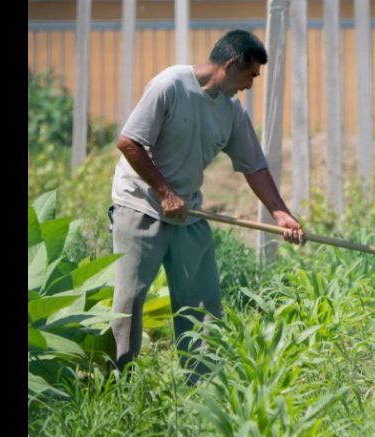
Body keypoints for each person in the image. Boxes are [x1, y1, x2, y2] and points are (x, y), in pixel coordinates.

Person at [109, 29, 303, 383]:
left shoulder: (231, 111)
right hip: (139, 205)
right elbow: (130, 142)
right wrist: (165, 192)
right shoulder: (170, 85)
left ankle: (203, 390)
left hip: (187, 212)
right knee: (129, 303)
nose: (250, 86)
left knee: (202, 305)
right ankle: (118, 388)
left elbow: (254, 165)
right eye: (250, 76)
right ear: (230, 66)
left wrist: (281, 213)